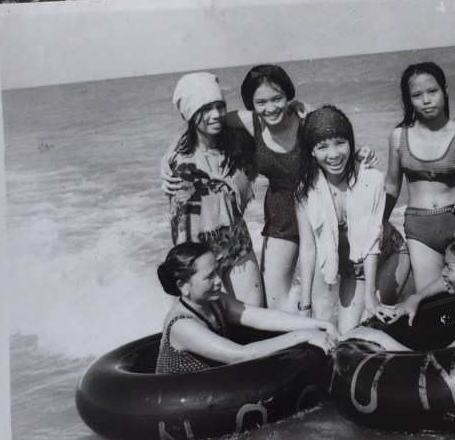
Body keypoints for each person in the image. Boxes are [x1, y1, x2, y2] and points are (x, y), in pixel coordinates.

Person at [160, 64, 375, 312]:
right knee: (273, 303)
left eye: (278, 99)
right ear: (252, 104)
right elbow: (196, 123)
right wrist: (168, 155)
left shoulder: (308, 119)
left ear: (288, 97)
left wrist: (360, 155)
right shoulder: (250, 122)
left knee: (322, 296)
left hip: (318, 208)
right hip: (280, 212)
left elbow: (336, 143)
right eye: (261, 101)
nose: (270, 108)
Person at [294, 106, 409, 333]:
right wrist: (304, 305)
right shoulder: (305, 191)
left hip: (388, 254)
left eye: (340, 142)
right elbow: (308, 249)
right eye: (322, 147)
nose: (334, 154)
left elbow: (372, 241)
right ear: (311, 152)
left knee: (368, 323)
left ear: (351, 142)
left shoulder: (370, 179)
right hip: (350, 269)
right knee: (346, 335)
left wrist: (370, 297)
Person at [155, 242, 338, 374]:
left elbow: (263, 317)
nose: (219, 280)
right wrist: (304, 335)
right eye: (209, 277)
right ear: (183, 286)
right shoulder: (182, 326)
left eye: (217, 271)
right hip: (181, 400)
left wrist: (318, 324)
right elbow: (240, 355)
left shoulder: (216, 302)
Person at [161, 72, 263, 306]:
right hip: (201, 258)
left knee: (255, 314)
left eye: (220, 106)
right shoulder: (181, 166)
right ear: (191, 114)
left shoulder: (235, 144)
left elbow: (269, 120)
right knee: (218, 322)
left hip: (238, 244)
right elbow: (181, 229)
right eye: (206, 109)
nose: (216, 115)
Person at [383, 61, 455, 294]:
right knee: (432, 299)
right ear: (409, 100)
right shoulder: (399, 137)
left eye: (432, 91)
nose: (426, 100)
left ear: (445, 90)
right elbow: (392, 185)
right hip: (420, 229)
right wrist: (378, 224)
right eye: (417, 95)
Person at [354, 230, 455, 352]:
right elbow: (444, 282)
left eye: (449, 268)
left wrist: (375, 337)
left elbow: (436, 362)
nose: (443, 272)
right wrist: (416, 298)